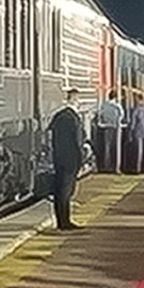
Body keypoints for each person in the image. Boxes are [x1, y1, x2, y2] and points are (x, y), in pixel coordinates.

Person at [48, 89, 85, 230]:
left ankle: (61, 220)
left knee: (60, 191)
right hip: (71, 160)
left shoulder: (58, 116)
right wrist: (81, 160)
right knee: (66, 192)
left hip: (59, 158)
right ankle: (65, 222)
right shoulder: (73, 118)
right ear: (75, 100)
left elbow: (51, 135)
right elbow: (77, 141)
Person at [96, 90, 124, 172]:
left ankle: (106, 167)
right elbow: (121, 116)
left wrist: (103, 122)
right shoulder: (117, 106)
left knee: (107, 147)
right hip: (116, 127)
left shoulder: (104, 105)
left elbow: (100, 115)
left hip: (106, 127)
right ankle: (116, 168)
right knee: (116, 148)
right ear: (115, 97)